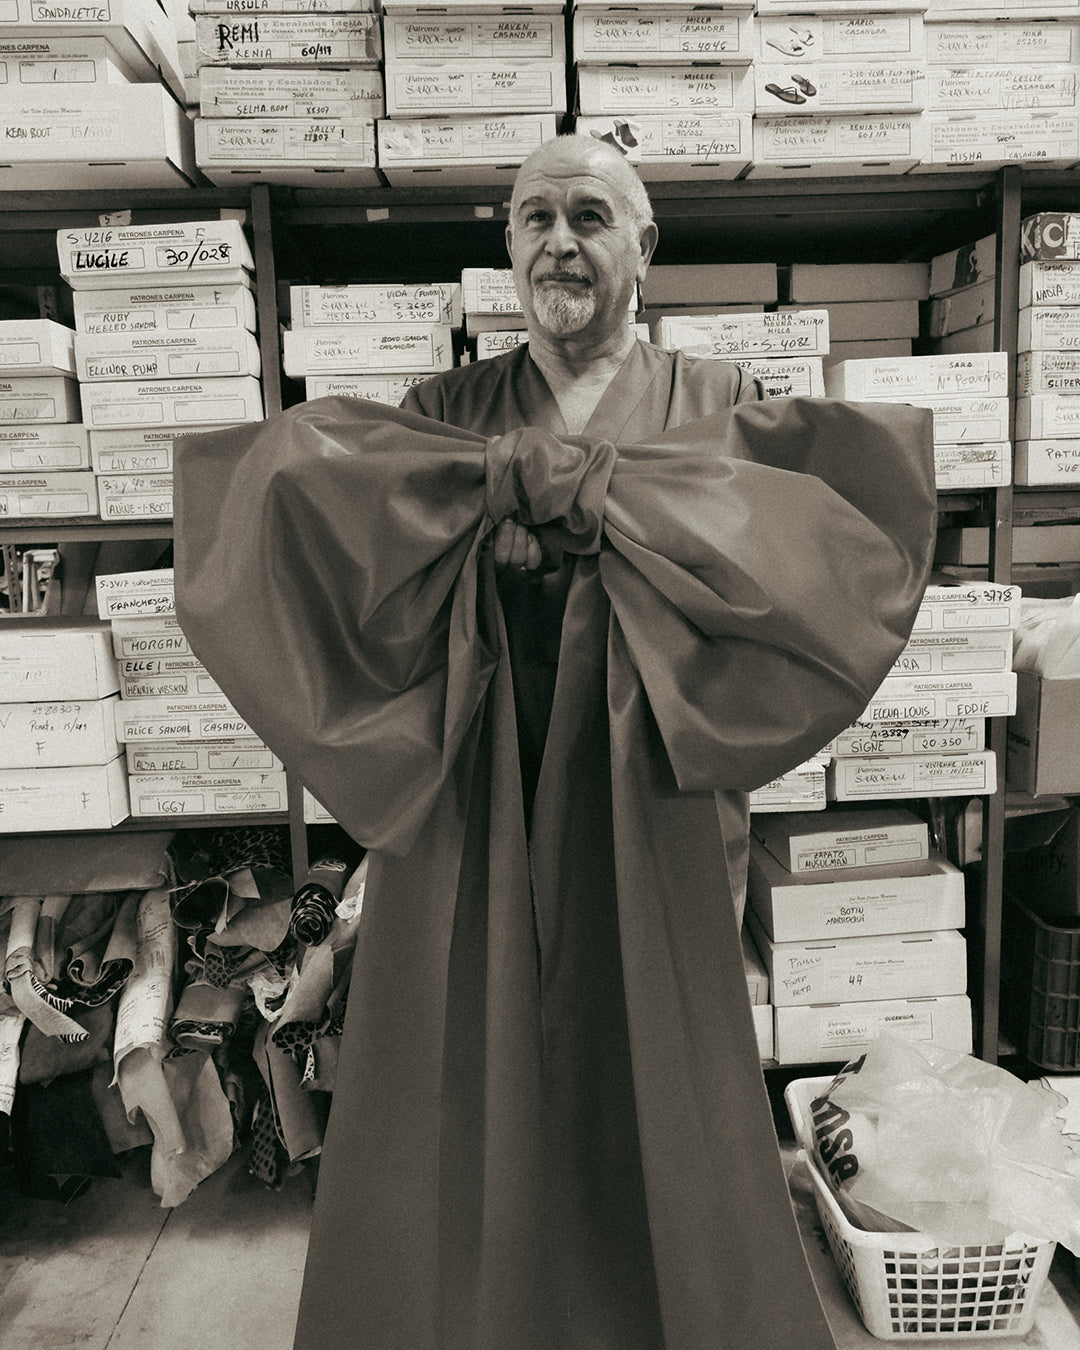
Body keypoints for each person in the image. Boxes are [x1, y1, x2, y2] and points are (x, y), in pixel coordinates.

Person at [173, 134, 938, 1350]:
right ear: (508, 246)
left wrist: (607, 539)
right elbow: (370, 581)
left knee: (648, 1051)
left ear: (645, 245)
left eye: (590, 216)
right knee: (468, 1049)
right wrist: (482, 552)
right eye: (534, 218)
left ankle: (645, 1312)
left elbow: (791, 579)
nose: (559, 243)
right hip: (477, 776)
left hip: (653, 779)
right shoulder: (443, 416)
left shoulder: (719, 405)